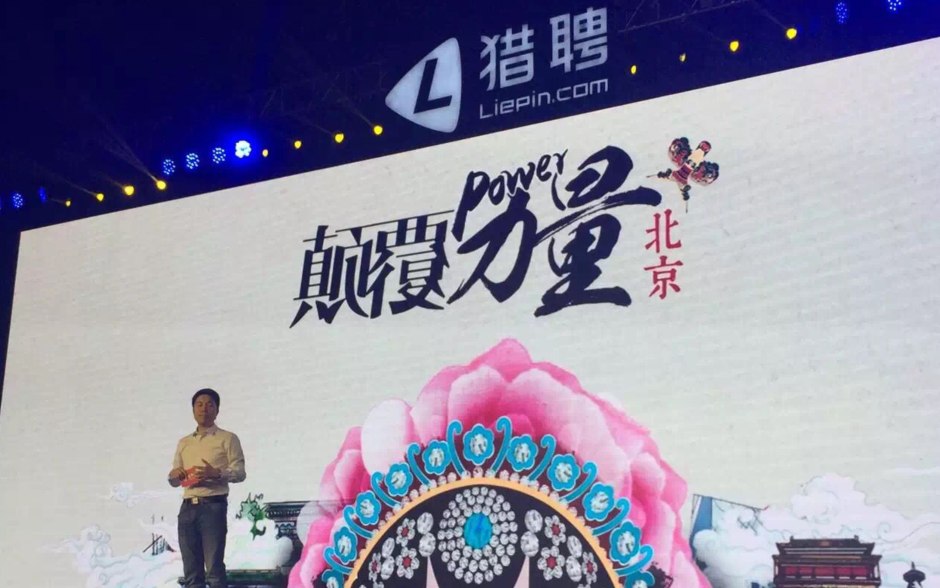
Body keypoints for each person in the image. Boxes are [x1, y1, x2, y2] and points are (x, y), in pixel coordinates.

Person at [168, 388, 246, 588]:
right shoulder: (184, 442)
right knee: (191, 572)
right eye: (199, 405)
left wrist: (216, 473)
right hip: (187, 508)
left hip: (213, 507)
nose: (204, 409)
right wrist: (174, 476)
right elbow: (174, 479)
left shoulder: (228, 438)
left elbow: (240, 473)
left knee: (214, 571)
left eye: (210, 405)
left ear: (217, 410)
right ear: (193, 410)